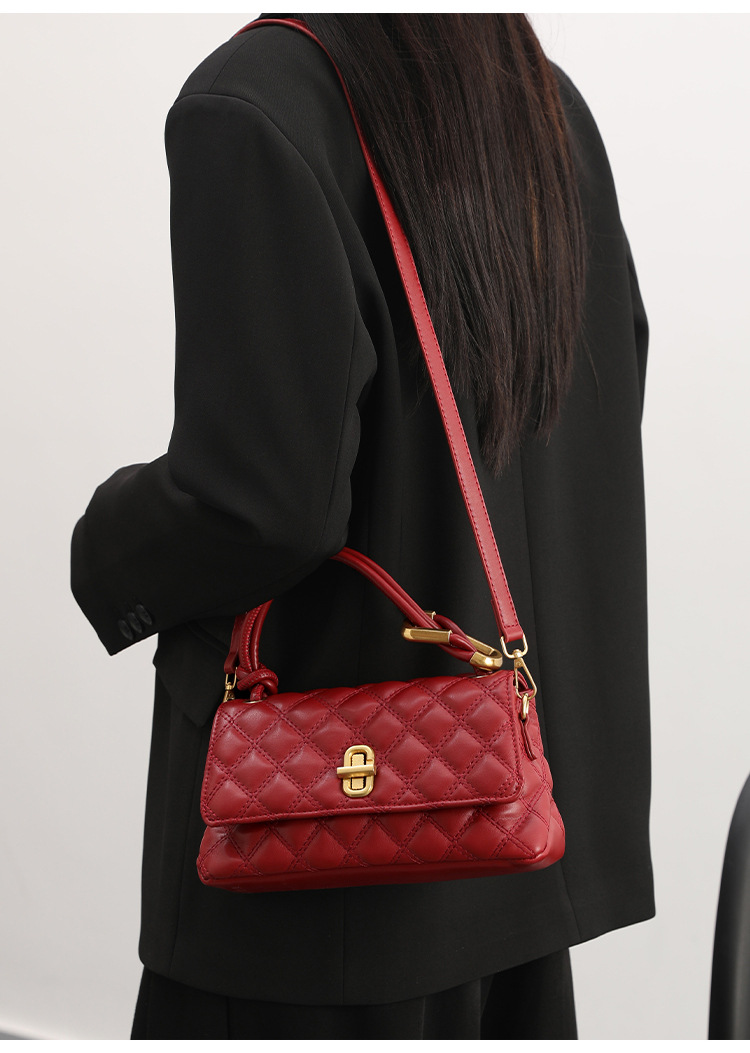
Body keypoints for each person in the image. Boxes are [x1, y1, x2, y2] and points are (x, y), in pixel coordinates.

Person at [71, 13, 654, 1040]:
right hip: (508, 844)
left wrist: (105, 551)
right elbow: (602, 393)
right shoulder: (543, 99)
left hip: (318, 872)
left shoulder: (259, 100)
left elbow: (262, 503)